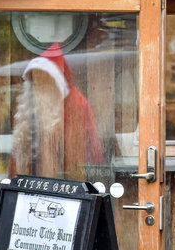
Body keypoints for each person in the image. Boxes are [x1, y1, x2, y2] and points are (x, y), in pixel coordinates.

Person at [10, 42, 104, 181]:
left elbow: (77, 164)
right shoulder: (29, 110)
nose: (38, 88)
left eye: (44, 81)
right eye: (35, 81)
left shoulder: (75, 106)